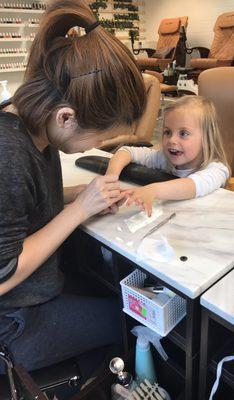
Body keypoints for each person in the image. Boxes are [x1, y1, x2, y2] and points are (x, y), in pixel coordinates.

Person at [0, 0, 146, 376]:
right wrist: (79, 210)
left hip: (39, 292)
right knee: (130, 317)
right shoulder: (9, 154)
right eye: (98, 138)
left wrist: (82, 196)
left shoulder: (33, 127)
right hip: (12, 322)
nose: (91, 149)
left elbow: (26, 207)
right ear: (66, 116)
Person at [106, 96, 230, 216]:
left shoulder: (217, 170)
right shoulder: (164, 159)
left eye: (183, 133)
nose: (172, 140)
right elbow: (127, 151)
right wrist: (110, 180)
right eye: (167, 132)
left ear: (206, 139)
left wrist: (152, 191)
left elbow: (194, 185)